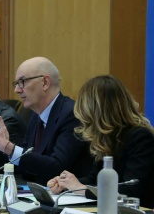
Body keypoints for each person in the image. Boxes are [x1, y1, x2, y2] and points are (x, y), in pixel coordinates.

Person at [0, 56, 92, 186]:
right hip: (36, 194)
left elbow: (57, 167)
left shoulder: (71, 114)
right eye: (16, 84)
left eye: (22, 82)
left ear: (45, 82)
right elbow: (24, 162)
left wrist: (8, 147)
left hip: (68, 200)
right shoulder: (36, 115)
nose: (16, 90)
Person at [46, 75, 154, 207]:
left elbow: (130, 190)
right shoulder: (107, 137)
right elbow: (94, 179)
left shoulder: (140, 137)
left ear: (97, 111)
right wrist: (66, 184)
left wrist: (80, 188)